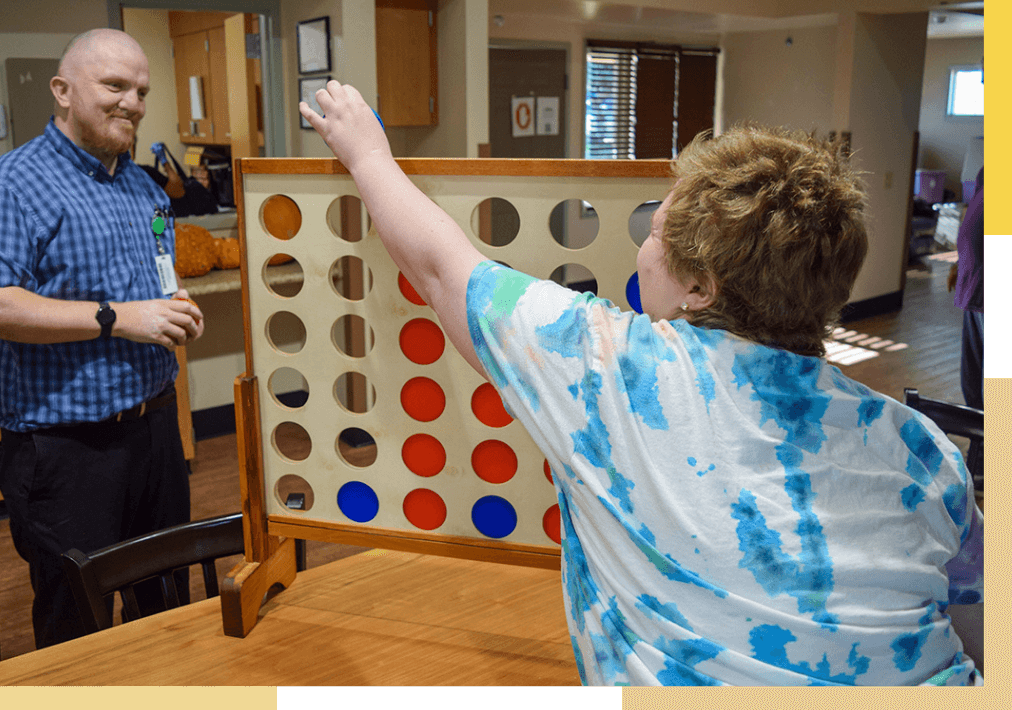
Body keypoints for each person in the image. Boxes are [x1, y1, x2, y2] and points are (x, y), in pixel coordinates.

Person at [299, 81, 983, 686]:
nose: (641, 247)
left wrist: (366, 156)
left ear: (699, 286)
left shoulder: (612, 373)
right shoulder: (921, 449)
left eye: (655, 232)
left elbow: (443, 270)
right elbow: (976, 625)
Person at [0, 28, 204, 648]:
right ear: (62, 91)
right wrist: (117, 317)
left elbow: (156, 281)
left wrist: (174, 307)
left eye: (142, 91)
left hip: (154, 434)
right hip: (65, 452)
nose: (133, 102)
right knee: (80, 623)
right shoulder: (10, 184)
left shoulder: (146, 190)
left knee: (167, 606)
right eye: (115, 86)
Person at [953, 166, 983, 483]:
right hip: (973, 293)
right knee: (972, 384)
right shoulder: (986, 178)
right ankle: (977, 458)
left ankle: (992, 464)